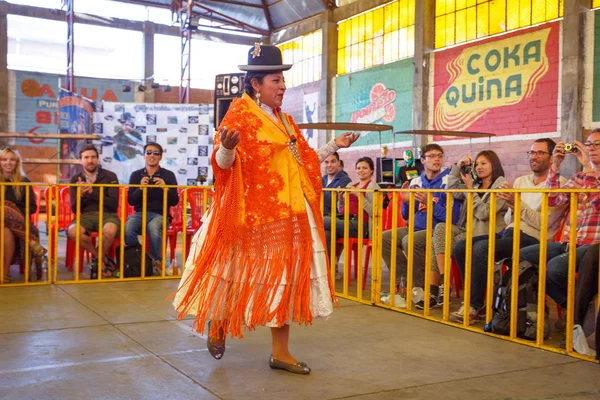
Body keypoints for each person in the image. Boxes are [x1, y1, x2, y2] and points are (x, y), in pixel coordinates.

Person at [172, 44, 359, 374]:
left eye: (283, 80)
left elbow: (302, 161)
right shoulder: (239, 116)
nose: (283, 86)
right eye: (276, 80)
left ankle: (280, 353)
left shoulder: (286, 121)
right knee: (231, 275)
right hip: (247, 213)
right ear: (256, 84)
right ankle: (219, 322)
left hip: (288, 214)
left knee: (284, 280)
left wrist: (334, 146)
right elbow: (223, 164)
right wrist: (227, 149)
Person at [449, 138, 567, 324]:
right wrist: (511, 207)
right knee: (461, 246)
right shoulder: (521, 181)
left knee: (481, 248)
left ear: (553, 158)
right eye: (531, 152)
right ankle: (475, 300)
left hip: (534, 238)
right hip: (510, 232)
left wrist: (516, 204)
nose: (534, 156)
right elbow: (509, 219)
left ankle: (473, 305)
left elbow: (543, 224)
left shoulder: (560, 185)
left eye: (540, 153)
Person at [519, 131, 600, 325]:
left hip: (593, 247)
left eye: (597, 144)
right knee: (523, 258)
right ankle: (573, 307)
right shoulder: (580, 177)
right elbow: (554, 199)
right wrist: (555, 166)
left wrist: (589, 167)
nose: (591, 149)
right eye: (589, 145)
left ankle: (576, 314)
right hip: (569, 242)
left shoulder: (587, 176)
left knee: (554, 268)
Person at [381, 143, 460, 305]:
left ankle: (422, 289)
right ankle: (403, 285)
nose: (437, 159)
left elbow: (452, 218)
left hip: (436, 230)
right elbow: (406, 215)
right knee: (384, 238)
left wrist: (430, 203)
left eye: (439, 155)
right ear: (422, 160)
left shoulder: (449, 181)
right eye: (432, 156)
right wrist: (406, 202)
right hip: (415, 227)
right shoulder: (416, 181)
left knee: (410, 240)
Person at [429, 150, 508, 309]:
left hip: (485, 234)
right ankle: (444, 284)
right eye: (477, 164)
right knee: (439, 230)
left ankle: (436, 291)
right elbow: (451, 189)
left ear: (494, 164)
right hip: (466, 230)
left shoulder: (502, 186)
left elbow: (484, 212)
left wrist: (470, 190)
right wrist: (458, 166)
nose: (479, 167)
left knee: (437, 243)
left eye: (483, 163)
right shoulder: (475, 184)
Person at [125, 143, 179, 276]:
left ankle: (156, 263)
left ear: (160, 157)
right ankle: (139, 259)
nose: (152, 156)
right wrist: (140, 189)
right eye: (148, 152)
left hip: (160, 215)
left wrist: (165, 188)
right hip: (139, 214)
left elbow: (174, 201)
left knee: (154, 227)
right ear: (144, 155)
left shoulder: (168, 175)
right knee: (128, 227)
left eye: (156, 153)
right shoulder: (136, 175)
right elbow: (131, 200)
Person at [68, 144, 120, 279]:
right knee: (73, 231)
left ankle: (99, 262)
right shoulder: (75, 179)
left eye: (93, 157)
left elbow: (113, 204)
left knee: (109, 231)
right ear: (80, 160)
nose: (90, 160)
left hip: (108, 215)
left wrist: (92, 192)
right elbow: (74, 209)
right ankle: (103, 260)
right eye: (86, 157)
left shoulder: (110, 176)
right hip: (86, 216)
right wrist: (79, 195)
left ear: (97, 159)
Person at [0, 147, 45, 282]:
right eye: (4, 159)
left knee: (5, 213)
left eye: (12, 160)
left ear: (17, 162)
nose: (8, 163)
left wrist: (13, 211)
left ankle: (5, 271)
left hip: (20, 221)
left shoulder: (24, 181)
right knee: (5, 217)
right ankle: (30, 241)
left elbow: (32, 207)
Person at [323, 157, 380, 259]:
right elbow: (341, 208)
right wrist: (340, 199)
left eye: (364, 168)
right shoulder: (351, 185)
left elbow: (374, 211)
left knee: (321, 221)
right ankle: (329, 270)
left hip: (361, 224)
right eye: (358, 168)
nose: (361, 170)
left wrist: (358, 194)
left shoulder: (373, 186)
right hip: (345, 219)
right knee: (326, 233)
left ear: (371, 170)